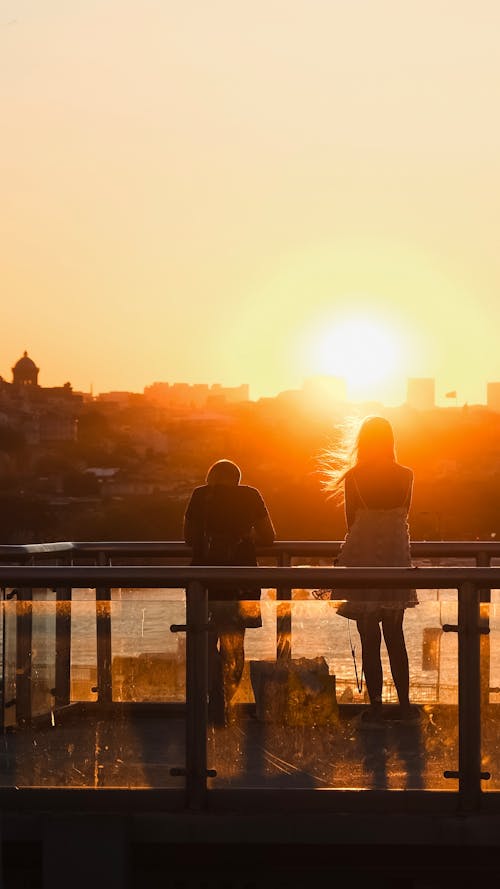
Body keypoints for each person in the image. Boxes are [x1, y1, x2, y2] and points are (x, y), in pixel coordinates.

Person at [324, 416, 418, 729]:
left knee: (369, 639)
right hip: (395, 560)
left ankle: (376, 710)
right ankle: (405, 709)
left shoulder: (355, 477)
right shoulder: (406, 475)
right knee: (396, 636)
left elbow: (351, 524)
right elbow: (405, 514)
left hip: (361, 559)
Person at [184, 459, 276, 726]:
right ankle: (226, 704)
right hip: (241, 578)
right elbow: (268, 537)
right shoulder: (250, 495)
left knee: (204, 640)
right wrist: (245, 540)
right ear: (237, 479)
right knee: (234, 644)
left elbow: (189, 537)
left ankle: (210, 699)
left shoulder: (201, 495)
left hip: (204, 579)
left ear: (211, 476)